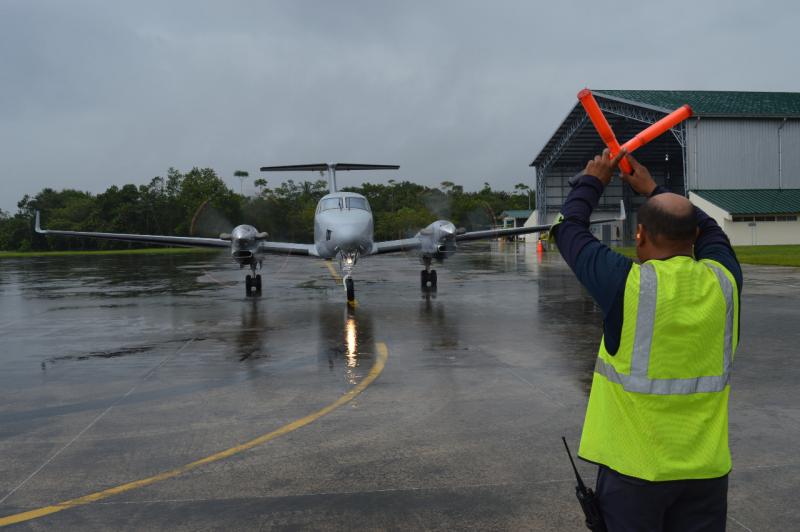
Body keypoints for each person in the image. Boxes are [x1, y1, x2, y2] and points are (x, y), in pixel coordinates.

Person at [553, 149, 743, 532]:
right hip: (706, 472)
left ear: (639, 235)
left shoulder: (626, 284)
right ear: (694, 238)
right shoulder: (725, 281)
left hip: (635, 474)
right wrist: (654, 189)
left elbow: (566, 228)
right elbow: (714, 231)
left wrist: (593, 180)